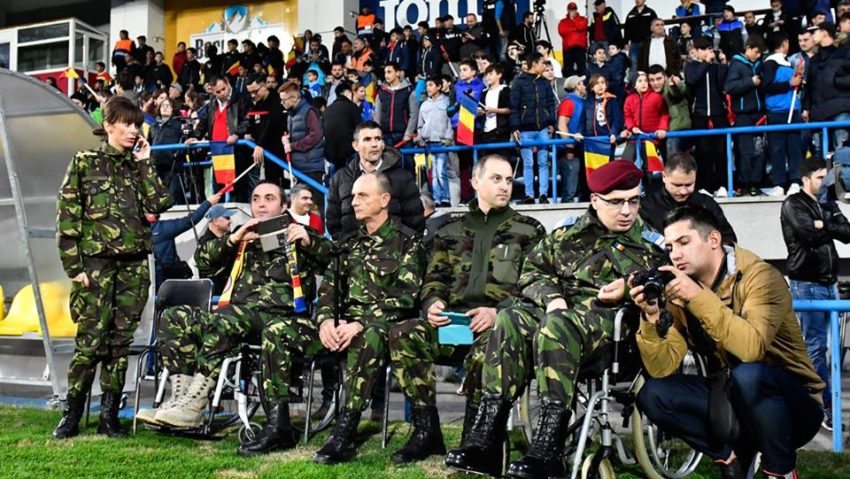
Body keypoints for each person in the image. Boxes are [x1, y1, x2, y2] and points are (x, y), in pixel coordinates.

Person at [446, 160, 666, 477]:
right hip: (558, 321)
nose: (626, 210)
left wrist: (630, 291)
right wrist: (553, 298)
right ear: (595, 200)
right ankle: (487, 442)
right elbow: (532, 273)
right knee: (509, 318)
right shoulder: (566, 235)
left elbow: (666, 289)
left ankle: (550, 450)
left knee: (555, 325)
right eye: (616, 202)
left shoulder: (651, 246)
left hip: (610, 333)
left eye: (633, 200)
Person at [631, 205, 824, 479]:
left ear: (713, 240)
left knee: (749, 375)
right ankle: (728, 457)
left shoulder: (762, 277)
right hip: (731, 401)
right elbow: (661, 369)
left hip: (794, 406)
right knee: (653, 395)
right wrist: (651, 319)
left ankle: (780, 471)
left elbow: (751, 348)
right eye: (671, 246)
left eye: (684, 242)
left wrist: (697, 297)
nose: (675, 254)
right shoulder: (681, 288)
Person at [389, 155, 545, 465]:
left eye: (508, 179)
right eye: (496, 178)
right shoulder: (449, 229)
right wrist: (432, 303)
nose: (504, 186)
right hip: (453, 323)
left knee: (488, 346)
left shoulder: (529, 231)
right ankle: (426, 431)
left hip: (498, 327)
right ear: (474, 183)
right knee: (403, 333)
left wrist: (497, 311)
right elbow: (434, 278)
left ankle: (475, 438)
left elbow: (535, 288)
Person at [138, 182, 331, 430]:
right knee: (175, 316)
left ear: (284, 206)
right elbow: (203, 261)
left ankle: (194, 407)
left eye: (269, 198)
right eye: (256, 198)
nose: (261, 203)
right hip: (237, 314)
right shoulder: (242, 234)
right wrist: (232, 240)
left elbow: (334, 262)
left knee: (226, 318)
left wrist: (309, 242)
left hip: (278, 318)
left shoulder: (299, 234)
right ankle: (179, 400)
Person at [53, 96, 173, 439]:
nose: (134, 130)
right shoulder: (84, 162)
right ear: (108, 125)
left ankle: (110, 415)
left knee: (120, 344)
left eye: (137, 124)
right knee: (90, 343)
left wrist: (147, 163)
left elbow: (159, 205)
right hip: (96, 267)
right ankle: (72, 414)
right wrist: (74, 267)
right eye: (127, 124)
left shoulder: (139, 166)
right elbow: (67, 217)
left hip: (133, 268)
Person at [313, 173, 426, 465]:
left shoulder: (407, 242)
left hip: (384, 325)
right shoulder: (347, 244)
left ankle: (344, 431)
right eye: (353, 196)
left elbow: (405, 297)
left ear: (384, 200)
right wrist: (326, 321)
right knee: (281, 331)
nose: (354, 202)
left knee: (369, 336)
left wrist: (360, 323)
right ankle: (279, 422)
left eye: (363, 195)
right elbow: (328, 290)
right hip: (342, 326)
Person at [781, 157, 850, 431]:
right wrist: (824, 225)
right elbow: (808, 234)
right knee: (815, 349)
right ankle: (820, 407)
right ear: (806, 179)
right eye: (820, 177)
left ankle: (820, 405)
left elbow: (847, 232)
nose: (825, 182)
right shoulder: (793, 204)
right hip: (806, 284)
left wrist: (824, 224)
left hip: (829, 283)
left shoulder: (827, 203)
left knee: (831, 349)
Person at [326, 121, 425, 238]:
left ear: (383, 144)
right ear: (355, 145)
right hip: (352, 253)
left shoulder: (403, 178)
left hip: (394, 253)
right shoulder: (339, 179)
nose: (374, 144)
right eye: (367, 139)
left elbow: (415, 222)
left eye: (378, 139)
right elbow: (334, 223)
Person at [640, 152, 737, 242]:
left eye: (689, 185)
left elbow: (729, 241)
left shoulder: (707, 205)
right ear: (664, 177)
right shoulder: (647, 206)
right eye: (677, 185)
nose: (683, 191)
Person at [186, 76, 250, 201]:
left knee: (237, 189)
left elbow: (247, 120)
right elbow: (203, 123)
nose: (222, 94)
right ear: (212, 91)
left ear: (228, 83)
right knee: (219, 190)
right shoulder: (212, 104)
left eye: (223, 89)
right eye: (218, 92)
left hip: (235, 152)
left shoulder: (242, 99)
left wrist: (236, 134)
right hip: (218, 152)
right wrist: (194, 137)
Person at [510, 52, 557, 204]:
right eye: (542, 63)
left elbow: (551, 104)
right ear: (534, 64)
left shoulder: (544, 82)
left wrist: (551, 123)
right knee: (528, 163)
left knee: (543, 163)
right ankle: (529, 195)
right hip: (525, 130)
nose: (544, 66)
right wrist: (515, 126)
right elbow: (514, 106)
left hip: (543, 129)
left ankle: (543, 194)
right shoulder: (518, 82)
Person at [149, 193, 221, 291]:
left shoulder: (136, 229)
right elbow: (189, 221)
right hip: (166, 284)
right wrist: (208, 203)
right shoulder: (161, 229)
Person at [685, 37, 729, 196]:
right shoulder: (691, 67)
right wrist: (705, 63)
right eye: (703, 49)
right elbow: (692, 80)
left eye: (709, 48)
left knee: (721, 151)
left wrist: (723, 64)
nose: (707, 52)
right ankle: (705, 186)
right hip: (700, 114)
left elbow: (724, 85)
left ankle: (723, 185)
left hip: (719, 113)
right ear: (696, 51)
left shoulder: (716, 67)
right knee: (703, 152)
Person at [763, 31, 804, 196]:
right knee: (777, 149)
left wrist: (798, 80)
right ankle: (779, 183)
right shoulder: (770, 63)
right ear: (784, 43)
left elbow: (792, 86)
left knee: (794, 148)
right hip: (777, 112)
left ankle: (795, 181)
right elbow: (767, 86)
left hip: (792, 110)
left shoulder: (788, 63)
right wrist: (789, 83)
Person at [725, 37, 766, 196]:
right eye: (756, 52)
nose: (757, 56)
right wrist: (750, 81)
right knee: (746, 152)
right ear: (748, 48)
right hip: (742, 115)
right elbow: (729, 87)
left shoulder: (758, 65)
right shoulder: (736, 65)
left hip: (759, 115)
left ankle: (755, 183)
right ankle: (743, 184)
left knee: (759, 151)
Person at [804, 23, 850, 157]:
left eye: (815, 32)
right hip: (818, 112)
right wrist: (806, 108)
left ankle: (843, 178)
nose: (812, 36)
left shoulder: (844, 52)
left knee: (841, 147)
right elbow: (809, 86)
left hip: (840, 108)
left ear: (824, 33)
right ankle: (826, 178)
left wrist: (837, 81)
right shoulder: (813, 60)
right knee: (820, 151)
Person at [280, 81, 326, 207]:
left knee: (315, 203)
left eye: (284, 100)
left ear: (294, 98)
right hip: (299, 166)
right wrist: (287, 139)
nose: (282, 103)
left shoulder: (309, 111)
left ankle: (321, 227)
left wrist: (293, 146)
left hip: (311, 167)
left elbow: (315, 136)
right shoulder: (291, 114)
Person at [417, 76, 454, 207]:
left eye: (431, 85)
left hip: (442, 142)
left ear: (438, 87)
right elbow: (420, 124)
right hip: (429, 143)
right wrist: (421, 137)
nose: (428, 88)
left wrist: (449, 137)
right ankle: (436, 199)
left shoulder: (447, 102)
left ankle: (445, 198)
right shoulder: (424, 105)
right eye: (427, 85)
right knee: (432, 173)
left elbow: (450, 121)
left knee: (441, 171)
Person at [245, 74, 285, 188]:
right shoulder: (257, 104)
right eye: (250, 92)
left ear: (264, 86)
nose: (252, 95)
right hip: (263, 150)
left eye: (255, 91)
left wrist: (260, 144)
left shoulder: (276, 100)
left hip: (276, 150)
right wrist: (249, 133)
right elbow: (254, 122)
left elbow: (271, 124)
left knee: (274, 181)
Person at [622, 71, 669, 163]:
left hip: (651, 139)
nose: (644, 83)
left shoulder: (656, 97)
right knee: (625, 163)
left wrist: (662, 128)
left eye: (645, 81)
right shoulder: (629, 99)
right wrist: (632, 127)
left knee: (650, 169)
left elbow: (664, 114)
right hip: (634, 139)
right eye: (640, 81)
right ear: (634, 85)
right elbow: (627, 116)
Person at [374, 62, 419, 151]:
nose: (386, 75)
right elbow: (377, 115)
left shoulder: (409, 91)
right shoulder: (381, 92)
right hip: (385, 135)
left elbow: (414, 114)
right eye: (385, 72)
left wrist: (408, 134)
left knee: (408, 163)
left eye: (389, 72)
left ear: (397, 73)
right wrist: (378, 133)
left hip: (403, 135)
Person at [556, 75, 587, 202]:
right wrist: (569, 147)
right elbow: (562, 125)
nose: (585, 86)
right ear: (577, 86)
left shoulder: (581, 102)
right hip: (570, 151)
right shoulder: (568, 102)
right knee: (570, 188)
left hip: (580, 148)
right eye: (582, 84)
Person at [647, 65, 690, 154]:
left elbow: (678, 91)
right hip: (660, 133)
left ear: (665, 77)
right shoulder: (650, 94)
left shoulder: (669, 86)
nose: (655, 83)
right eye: (652, 80)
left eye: (659, 79)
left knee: (672, 161)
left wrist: (675, 85)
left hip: (677, 131)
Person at [324, 83, 364, 171]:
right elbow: (360, 130)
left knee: (335, 178)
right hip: (349, 151)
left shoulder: (328, 109)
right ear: (347, 92)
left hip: (331, 152)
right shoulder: (353, 107)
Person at [196, 205, 233, 295]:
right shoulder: (205, 244)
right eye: (227, 218)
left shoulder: (226, 240)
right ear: (216, 221)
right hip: (215, 297)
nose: (231, 221)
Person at [624, 0, 658, 82]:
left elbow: (655, 25)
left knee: (648, 63)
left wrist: (655, 37)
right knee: (634, 64)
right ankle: (633, 85)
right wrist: (625, 42)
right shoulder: (631, 14)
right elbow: (627, 29)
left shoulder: (651, 12)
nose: (638, 0)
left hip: (647, 42)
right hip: (634, 43)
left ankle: (650, 83)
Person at [558, 2, 589, 77]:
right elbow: (562, 31)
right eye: (571, 9)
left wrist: (573, 20)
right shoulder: (563, 21)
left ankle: (583, 85)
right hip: (568, 48)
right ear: (568, 10)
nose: (573, 11)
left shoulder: (583, 19)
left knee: (582, 70)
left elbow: (581, 27)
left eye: (574, 9)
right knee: (568, 70)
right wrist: (574, 29)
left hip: (580, 48)